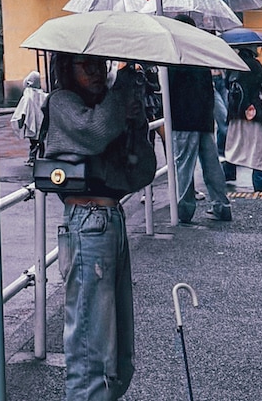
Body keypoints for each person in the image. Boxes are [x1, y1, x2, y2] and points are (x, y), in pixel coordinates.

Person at [42, 53, 150, 401]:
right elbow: (95, 131)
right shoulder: (62, 103)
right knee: (91, 347)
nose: (95, 71)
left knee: (119, 348)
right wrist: (122, 95)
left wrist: (136, 124)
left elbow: (140, 172)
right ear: (66, 69)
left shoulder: (108, 106)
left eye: (99, 63)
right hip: (87, 222)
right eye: (84, 65)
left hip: (111, 219)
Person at [164, 55, 232, 225]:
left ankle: (184, 211)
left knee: (184, 167)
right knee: (212, 164)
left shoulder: (173, 59)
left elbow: (168, 91)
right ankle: (222, 206)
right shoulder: (200, 58)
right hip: (204, 118)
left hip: (183, 119)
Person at [223, 44, 262, 193]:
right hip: (253, 112)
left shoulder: (232, 62)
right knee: (258, 149)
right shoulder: (254, 64)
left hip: (235, 112)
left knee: (234, 145)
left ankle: (227, 174)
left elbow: (227, 84)